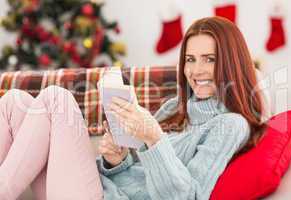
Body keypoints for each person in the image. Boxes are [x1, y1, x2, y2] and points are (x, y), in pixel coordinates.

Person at [0, 16, 266, 200]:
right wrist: (116, 159)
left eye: (209, 59)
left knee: (57, 99)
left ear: (231, 62)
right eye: (190, 59)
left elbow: (189, 196)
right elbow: (133, 171)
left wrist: (154, 139)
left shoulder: (230, 125)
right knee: (14, 101)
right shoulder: (176, 107)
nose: (196, 70)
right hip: (94, 188)